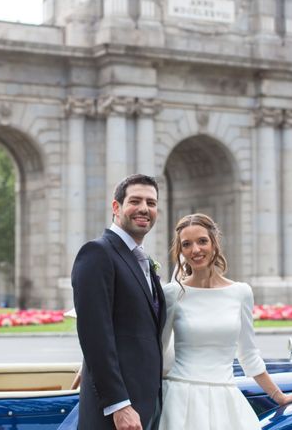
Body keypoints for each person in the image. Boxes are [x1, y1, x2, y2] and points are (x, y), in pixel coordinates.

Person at [159, 214, 292, 429]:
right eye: (187, 244)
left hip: (226, 399)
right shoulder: (172, 293)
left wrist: (280, 397)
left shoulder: (240, 292)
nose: (195, 250)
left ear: (214, 243)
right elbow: (158, 351)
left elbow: (248, 354)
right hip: (180, 400)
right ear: (180, 251)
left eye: (202, 241)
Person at [72, 174, 166, 430]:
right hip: (115, 414)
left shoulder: (141, 259)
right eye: (135, 201)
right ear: (116, 207)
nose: (145, 209)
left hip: (146, 405)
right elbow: (95, 335)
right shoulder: (97, 253)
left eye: (152, 202)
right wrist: (119, 404)